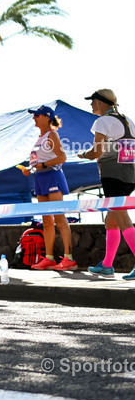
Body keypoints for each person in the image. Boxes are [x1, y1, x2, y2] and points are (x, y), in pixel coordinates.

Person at [82, 89, 135, 278]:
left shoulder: (102, 122)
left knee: (121, 219)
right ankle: (107, 264)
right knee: (111, 220)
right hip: (129, 175)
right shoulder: (128, 120)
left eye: (92, 101)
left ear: (100, 103)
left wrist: (83, 155)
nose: (90, 105)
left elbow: (97, 151)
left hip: (113, 175)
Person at [21, 105, 75, 270]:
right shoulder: (40, 137)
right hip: (40, 178)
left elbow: (62, 157)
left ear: (46, 117)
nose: (34, 118)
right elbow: (38, 162)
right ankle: (49, 258)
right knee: (46, 221)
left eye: (36, 115)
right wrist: (30, 169)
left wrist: (42, 164)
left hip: (52, 176)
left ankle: (69, 258)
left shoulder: (52, 134)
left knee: (59, 218)